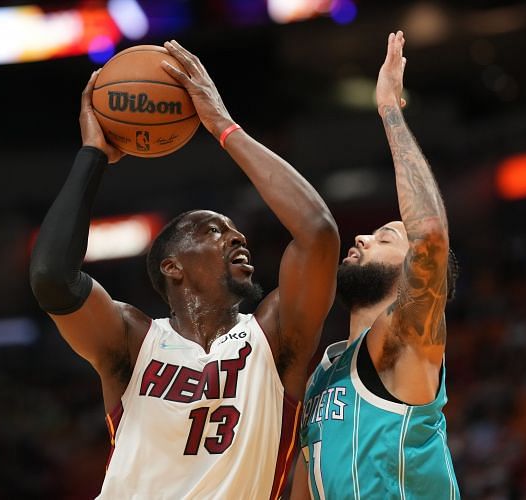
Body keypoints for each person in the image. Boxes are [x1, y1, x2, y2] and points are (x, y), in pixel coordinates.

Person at [29, 40, 339, 499]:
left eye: (235, 231)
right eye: (213, 230)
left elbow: (317, 233)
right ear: (172, 266)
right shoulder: (133, 339)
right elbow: (52, 278)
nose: (236, 238)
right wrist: (92, 156)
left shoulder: (275, 337)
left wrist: (222, 126)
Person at [293, 31, 461, 499]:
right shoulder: (322, 373)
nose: (362, 237)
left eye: (386, 236)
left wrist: (390, 108)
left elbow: (430, 237)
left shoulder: (405, 342)